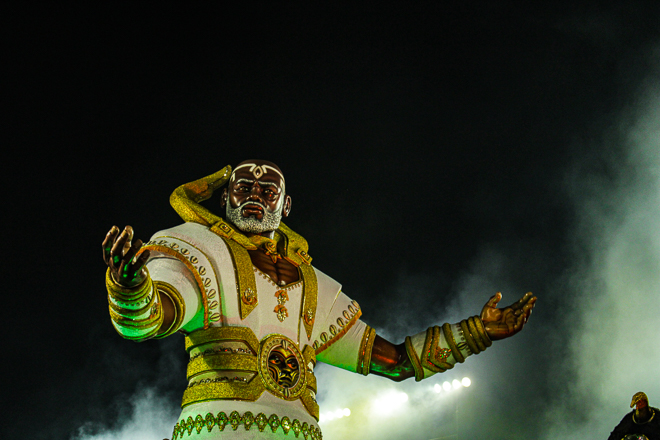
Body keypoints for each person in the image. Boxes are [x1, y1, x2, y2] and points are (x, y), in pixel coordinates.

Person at [102, 160, 537, 440]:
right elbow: (146, 321)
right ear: (225, 197)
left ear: (286, 205)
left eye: (268, 189)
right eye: (243, 186)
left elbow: (398, 362)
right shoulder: (197, 249)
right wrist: (129, 286)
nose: (255, 193)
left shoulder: (318, 288)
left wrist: (476, 332)